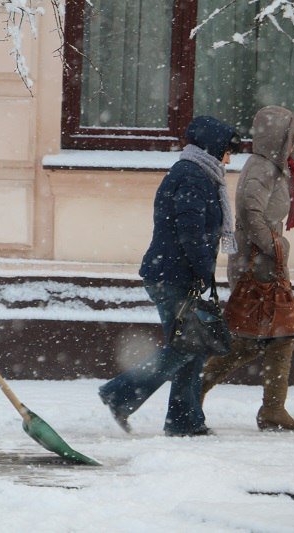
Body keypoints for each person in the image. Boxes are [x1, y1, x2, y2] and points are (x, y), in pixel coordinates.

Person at [98, 116, 240, 437]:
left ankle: (184, 421)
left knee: (192, 345)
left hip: (175, 273)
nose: (229, 159)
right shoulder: (192, 177)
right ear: (212, 146)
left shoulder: (199, 174)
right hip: (172, 275)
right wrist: (204, 270)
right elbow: (189, 230)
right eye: (227, 151)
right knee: (184, 346)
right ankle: (120, 394)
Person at [201, 105, 294, 432]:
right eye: (292, 136)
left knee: (275, 336)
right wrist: (276, 247)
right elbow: (250, 212)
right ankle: (194, 392)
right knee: (264, 337)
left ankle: (272, 409)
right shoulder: (262, 168)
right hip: (258, 264)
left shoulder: (274, 167)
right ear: (279, 137)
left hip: (264, 262)